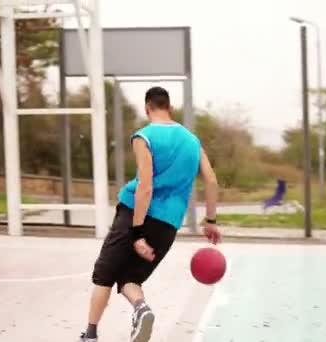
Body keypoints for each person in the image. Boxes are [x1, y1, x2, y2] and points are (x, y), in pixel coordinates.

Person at [79, 86, 222, 342]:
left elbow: (145, 186)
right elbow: (211, 181)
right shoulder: (192, 141)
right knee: (129, 277)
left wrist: (136, 233)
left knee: (104, 273)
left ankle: (90, 335)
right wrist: (210, 220)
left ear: (147, 109)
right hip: (168, 224)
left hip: (136, 215)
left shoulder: (144, 137)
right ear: (170, 108)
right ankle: (141, 310)